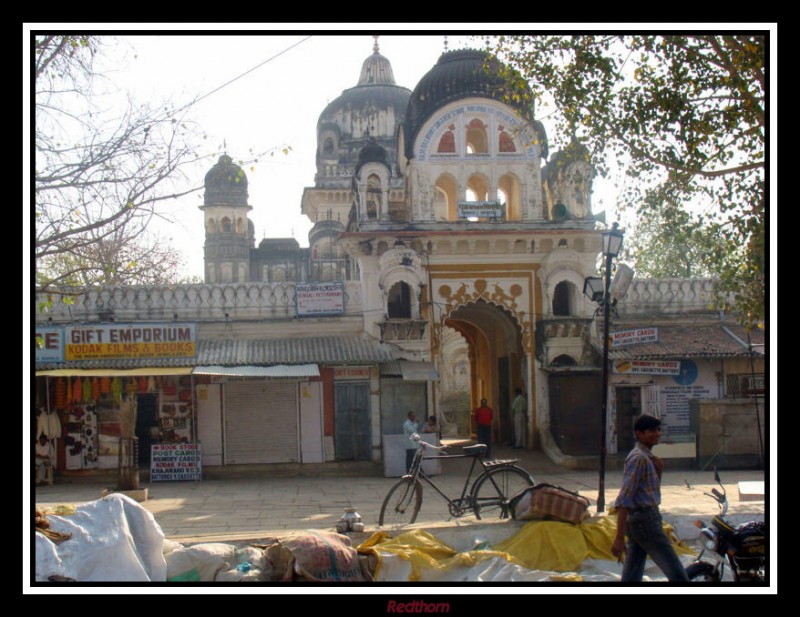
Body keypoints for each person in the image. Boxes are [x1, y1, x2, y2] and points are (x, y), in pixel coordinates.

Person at [611, 414, 689, 582]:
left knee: (632, 574)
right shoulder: (639, 458)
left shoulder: (648, 458)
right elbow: (624, 499)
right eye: (651, 430)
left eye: (658, 430)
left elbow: (647, 493)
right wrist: (618, 537)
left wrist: (659, 471)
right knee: (677, 574)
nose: (657, 434)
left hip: (641, 521)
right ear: (639, 434)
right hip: (646, 521)